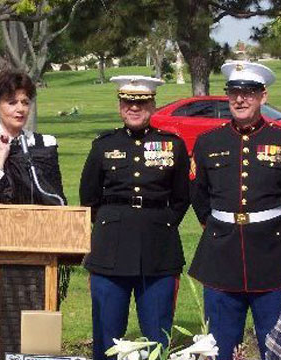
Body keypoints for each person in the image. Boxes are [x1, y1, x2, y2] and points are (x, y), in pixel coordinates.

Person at [79, 75, 190, 360]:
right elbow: (89, 197)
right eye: (128, 102)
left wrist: (159, 223)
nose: (134, 108)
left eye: (141, 103)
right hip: (110, 249)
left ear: (152, 105)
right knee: (107, 336)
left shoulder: (173, 145)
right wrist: (111, 223)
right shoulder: (103, 145)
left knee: (156, 336)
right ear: (120, 106)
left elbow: (181, 197)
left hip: (158, 250)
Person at [0, 69, 66, 360]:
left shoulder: (44, 145)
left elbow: (57, 199)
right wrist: (1, 157)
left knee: (33, 333)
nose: (20, 108)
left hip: (37, 254)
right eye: (12, 102)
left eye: (24, 101)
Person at [189, 61, 281, 360]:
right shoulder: (208, 142)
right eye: (233, 92)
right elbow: (198, 194)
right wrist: (217, 226)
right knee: (219, 348)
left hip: (273, 256)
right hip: (222, 256)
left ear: (263, 97)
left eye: (249, 92)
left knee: (275, 348)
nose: (240, 99)